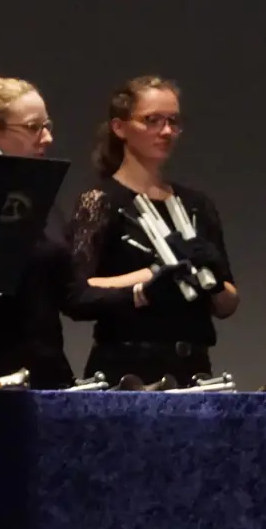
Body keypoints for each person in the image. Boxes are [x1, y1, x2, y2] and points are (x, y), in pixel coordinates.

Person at [0, 67, 139, 388]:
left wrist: (144, 289)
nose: (48, 138)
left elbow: (73, 296)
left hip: (49, 374)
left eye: (47, 126)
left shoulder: (40, 199)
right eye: (34, 128)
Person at [68, 75, 239, 385]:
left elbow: (227, 305)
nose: (167, 131)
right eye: (152, 120)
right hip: (127, 369)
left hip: (193, 367)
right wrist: (150, 279)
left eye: (173, 121)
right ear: (120, 128)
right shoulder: (101, 202)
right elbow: (78, 294)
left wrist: (213, 282)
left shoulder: (197, 205)